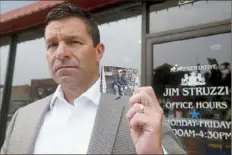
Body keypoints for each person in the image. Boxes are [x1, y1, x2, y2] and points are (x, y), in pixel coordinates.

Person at [0, 3, 186, 154]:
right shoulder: (22, 118)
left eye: (73, 42)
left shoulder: (136, 108)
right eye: (52, 45)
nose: (61, 53)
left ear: (98, 52)